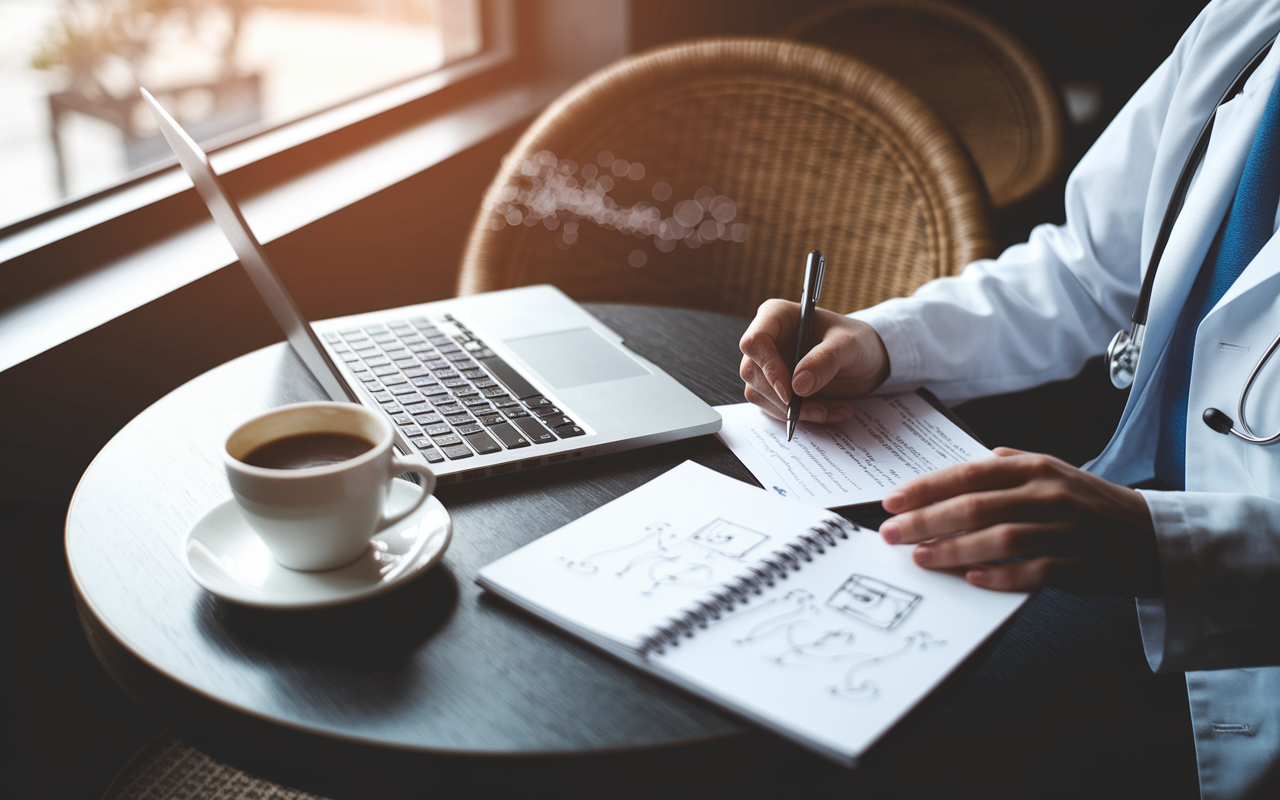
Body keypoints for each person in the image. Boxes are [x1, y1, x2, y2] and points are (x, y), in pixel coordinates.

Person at [739, 1, 1279, 798]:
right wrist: (883, 343)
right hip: (1129, 576)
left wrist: (1165, 543)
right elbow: (1087, 268)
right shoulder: (1247, 23)